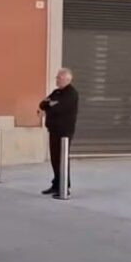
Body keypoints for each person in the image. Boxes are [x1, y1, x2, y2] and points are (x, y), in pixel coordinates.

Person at [39, 67, 78, 197]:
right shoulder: (56, 92)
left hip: (64, 132)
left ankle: (65, 187)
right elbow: (43, 103)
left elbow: (60, 108)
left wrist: (50, 106)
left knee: (62, 160)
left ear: (67, 79)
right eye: (57, 77)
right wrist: (50, 103)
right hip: (53, 130)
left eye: (59, 78)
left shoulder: (72, 94)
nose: (56, 79)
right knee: (55, 159)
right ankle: (56, 184)